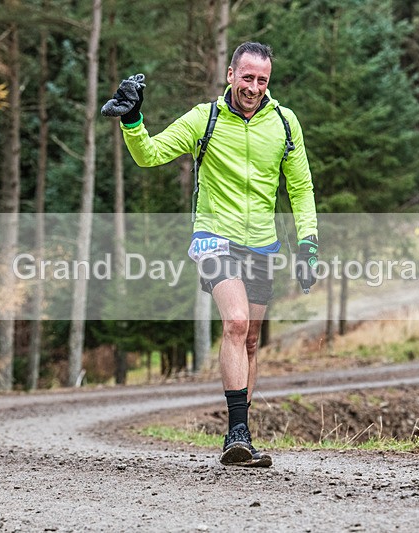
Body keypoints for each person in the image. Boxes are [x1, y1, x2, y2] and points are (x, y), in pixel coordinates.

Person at [102, 42, 318, 467]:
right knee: (236, 322)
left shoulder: (285, 123)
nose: (253, 87)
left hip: (262, 243)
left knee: (251, 340)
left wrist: (307, 242)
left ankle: (242, 435)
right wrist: (132, 120)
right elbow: (150, 155)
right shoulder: (206, 118)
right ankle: (236, 432)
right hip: (214, 236)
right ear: (230, 75)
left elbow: (301, 187)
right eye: (247, 77)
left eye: (262, 80)